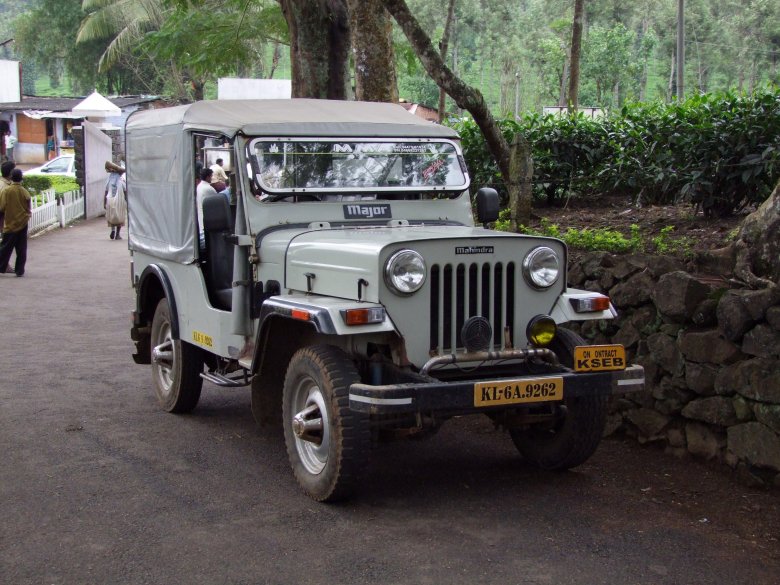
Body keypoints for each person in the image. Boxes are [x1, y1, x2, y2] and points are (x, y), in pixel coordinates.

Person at [0, 168, 31, 277]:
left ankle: (1, 266)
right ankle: (20, 270)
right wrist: (27, 215)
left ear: (11, 177)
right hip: (22, 223)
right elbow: (28, 206)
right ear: (21, 178)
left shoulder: (6, 191)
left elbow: (2, 207)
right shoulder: (24, 191)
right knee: (21, 248)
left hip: (10, 223)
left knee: (5, 247)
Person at [104, 160, 126, 240]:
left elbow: (106, 191)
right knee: (119, 216)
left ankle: (112, 230)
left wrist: (104, 202)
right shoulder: (120, 180)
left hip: (110, 200)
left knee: (112, 216)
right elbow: (125, 191)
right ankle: (117, 234)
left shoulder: (109, 179)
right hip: (119, 201)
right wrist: (127, 200)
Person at [196, 167, 218, 249]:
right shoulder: (209, 189)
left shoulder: (199, 186)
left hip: (201, 220)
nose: (212, 178)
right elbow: (217, 202)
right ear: (208, 177)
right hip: (208, 223)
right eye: (211, 176)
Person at [0, 160, 15, 235]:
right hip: (4, 222)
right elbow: (2, 208)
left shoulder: (8, 184)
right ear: (11, 172)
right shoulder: (5, 187)